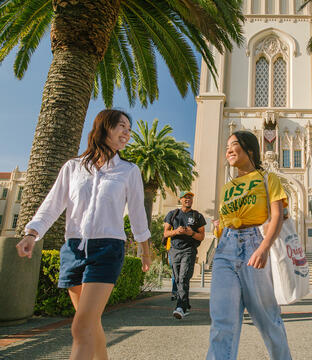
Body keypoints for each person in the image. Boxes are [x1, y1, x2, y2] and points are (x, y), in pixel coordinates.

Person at [16, 109, 151, 360]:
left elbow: (137, 214)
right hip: (73, 249)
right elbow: (52, 204)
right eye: (121, 126)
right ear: (104, 127)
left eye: (129, 129)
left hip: (108, 249)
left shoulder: (128, 171)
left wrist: (145, 250)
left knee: (81, 326)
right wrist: (31, 234)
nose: (126, 132)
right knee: (89, 323)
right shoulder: (73, 167)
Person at [207, 131, 292, 360]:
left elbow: (277, 216)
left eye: (234, 144)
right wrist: (219, 227)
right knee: (222, 321)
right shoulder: (228, 187)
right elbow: (225, 222)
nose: (228, 150)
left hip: (254, 244)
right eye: (226, 146)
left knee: (267, 318)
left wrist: (263, 248)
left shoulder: (268, 178)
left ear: (249, 149)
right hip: (225, 250)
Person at [163, 191, 206, 319]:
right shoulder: (172, 214)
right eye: (185, 198)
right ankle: (185, 306)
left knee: (183, 278)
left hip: (189, 250)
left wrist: (191, 233)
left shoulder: (197, 216)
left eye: (190, 198)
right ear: (180, 200)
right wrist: (176, 231)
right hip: (174, 250)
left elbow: (202, 236)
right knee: (177, 279)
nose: (188, 200)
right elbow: (165, 233)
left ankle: (180, 307)